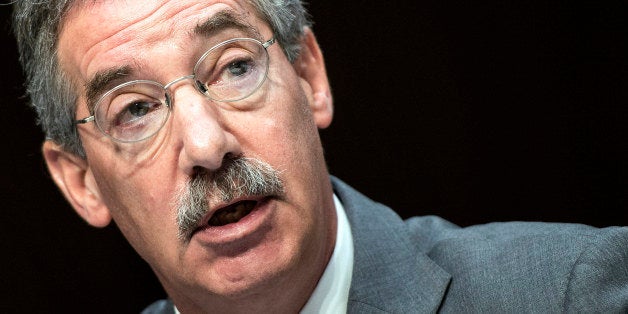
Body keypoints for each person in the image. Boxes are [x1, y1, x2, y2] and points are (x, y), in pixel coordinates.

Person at [12, 0, 628, 313]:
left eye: (234, 67)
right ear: (83, 182)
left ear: (308, 75)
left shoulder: (572, 290)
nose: (206, 145)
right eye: (136, 110)